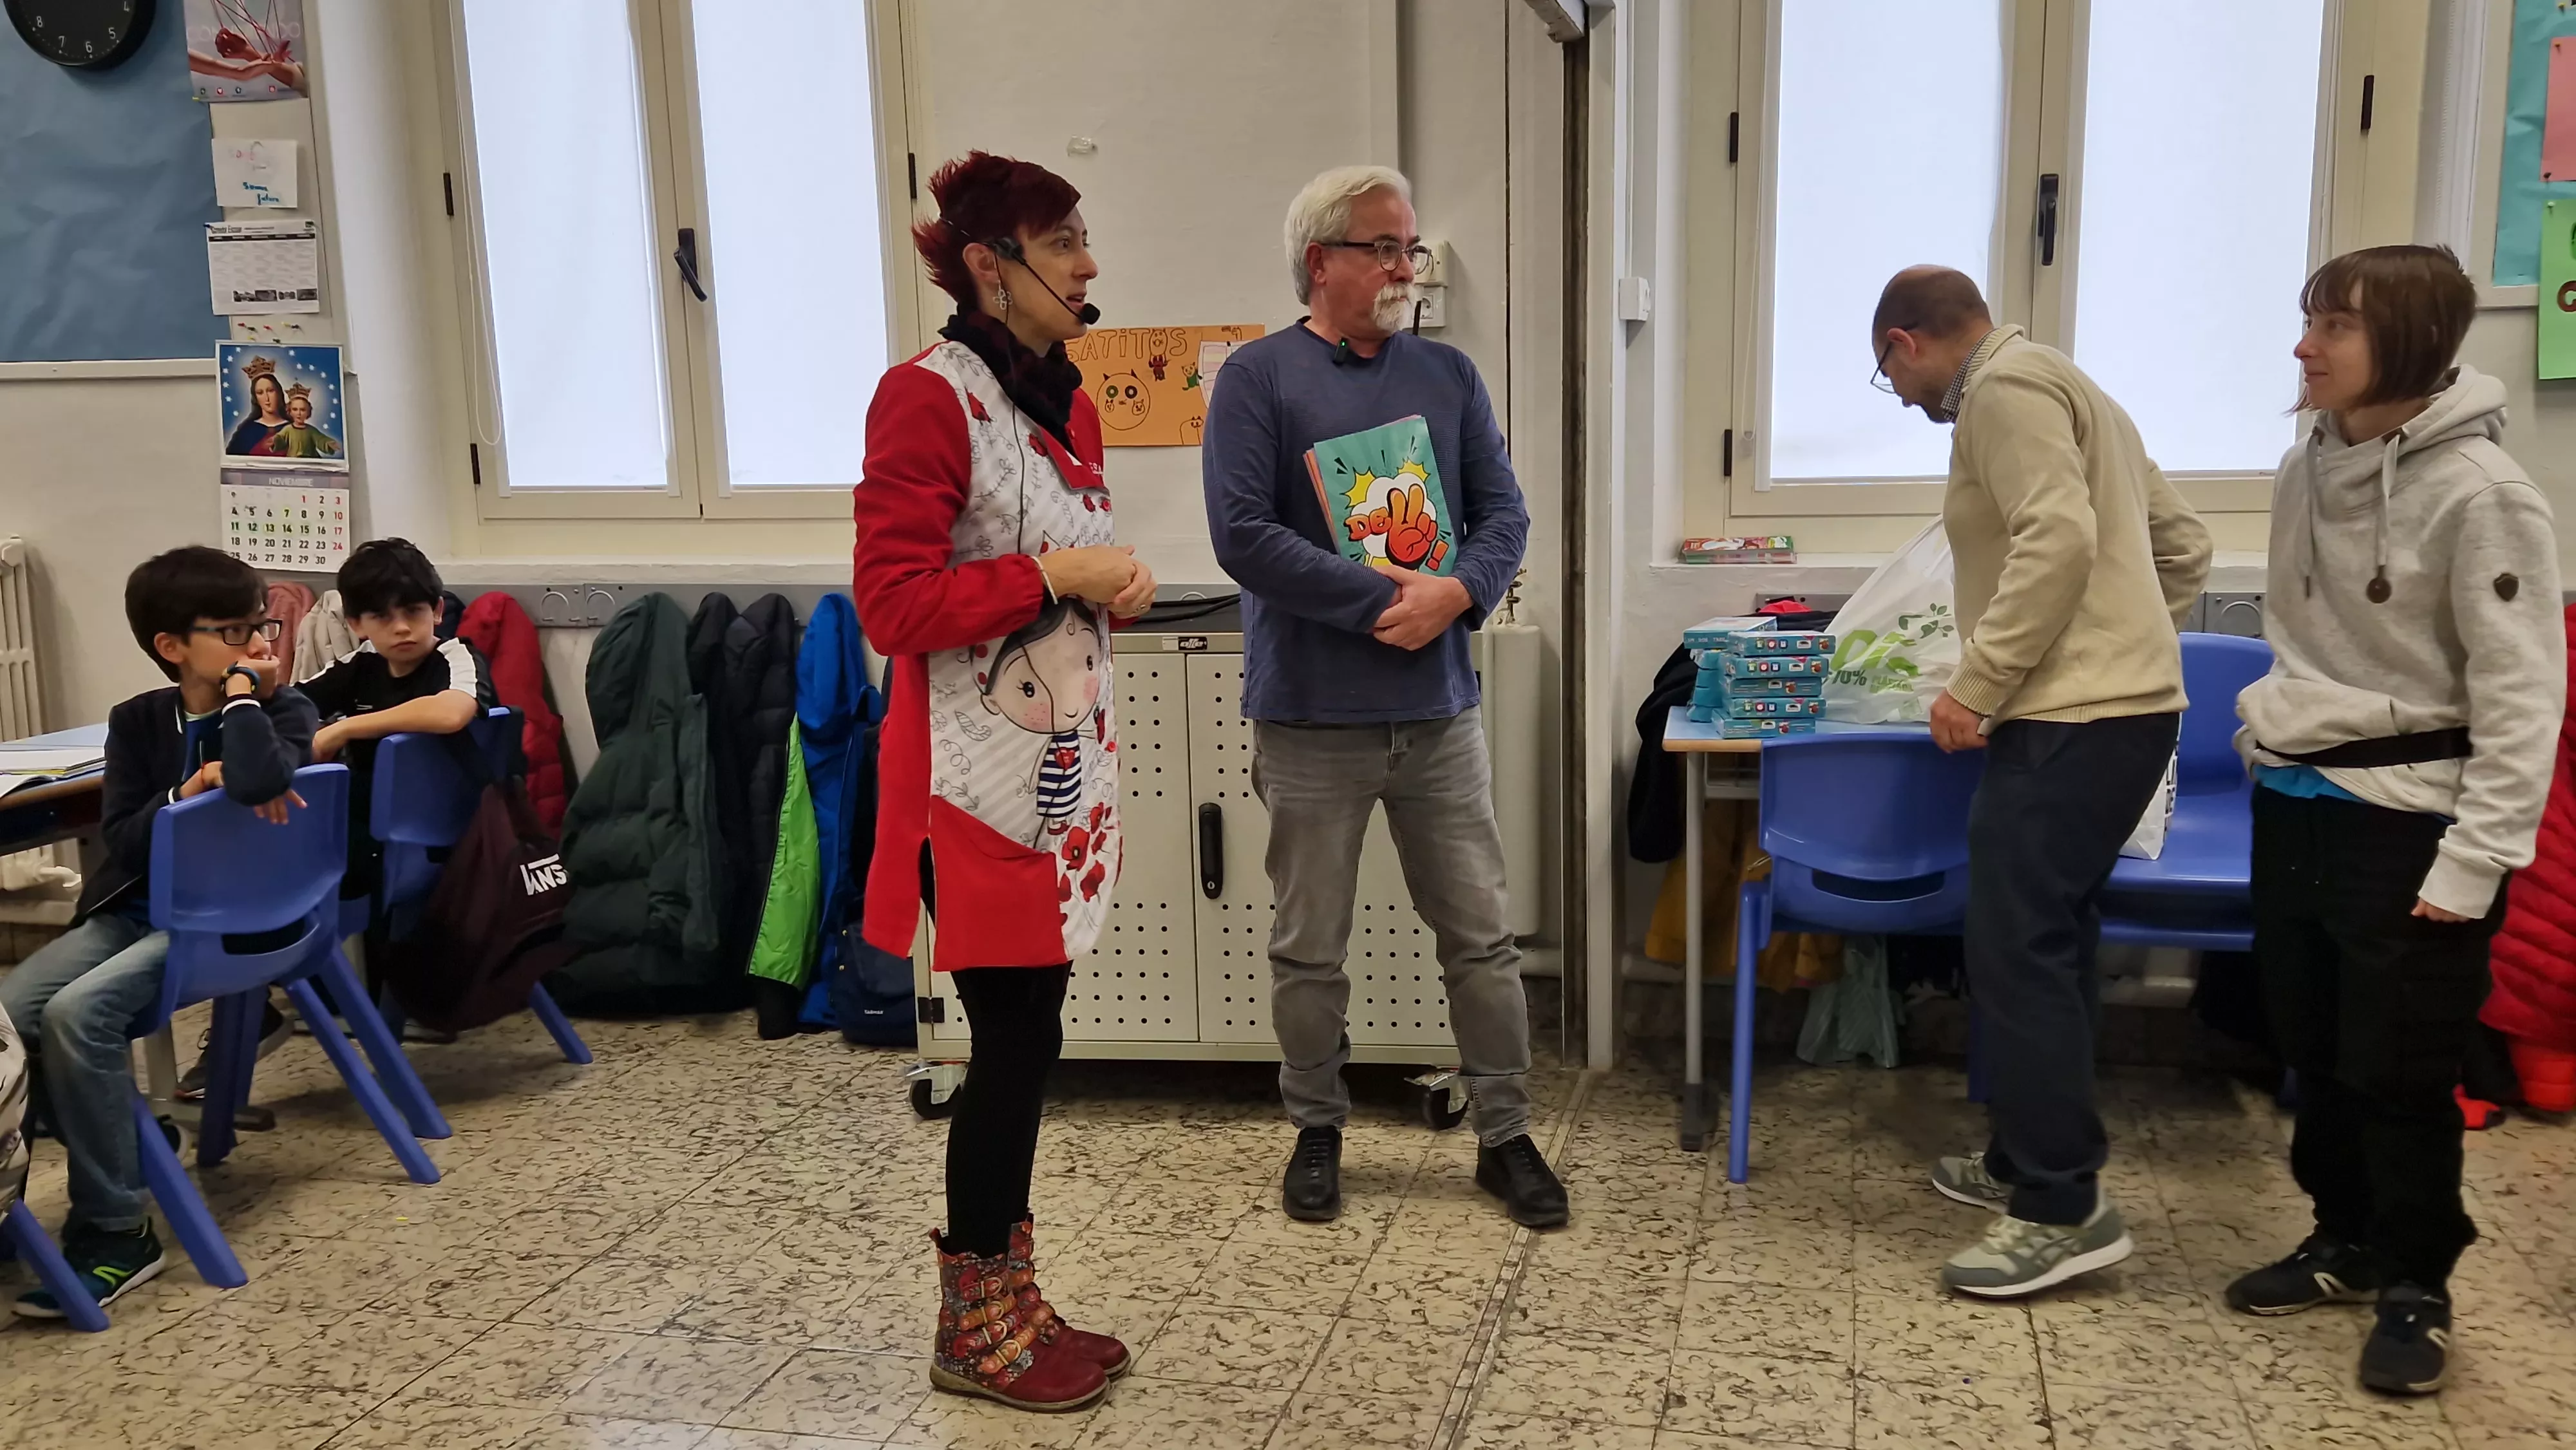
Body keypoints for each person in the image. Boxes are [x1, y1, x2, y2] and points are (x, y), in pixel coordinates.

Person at [1201, 165, 1564, 1230]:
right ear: (1324, 260)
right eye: (1388, 248)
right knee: (1309, 947)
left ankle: (1506, 1134)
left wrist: (1462, 588)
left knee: (1482, 939)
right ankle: (1317, 1126)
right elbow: (1242, 537)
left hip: (1439, 716)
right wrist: (1376, 602)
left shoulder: (1448, 375)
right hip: (1310, 718)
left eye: (1411, 249)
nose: (1409, 267)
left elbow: (1503, 510)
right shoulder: (1257, 379)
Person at [2227, 245, 2561, 1395]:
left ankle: (2420, 1276)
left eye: (2337, 326)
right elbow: (2301, 639)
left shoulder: (2486, 495)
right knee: (2310, 1047)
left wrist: (2476, 864)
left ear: (2410, 343)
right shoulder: (2302, 466)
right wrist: (2263, 742)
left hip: (2413, 819)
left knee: (2402, 1067)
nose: (2305, 346)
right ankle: (2346, 1237)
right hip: (2298, 797)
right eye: (2309, 318)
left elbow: (2524, 700)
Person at [851, 151, 1152, 1415]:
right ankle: (975, 1324)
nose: (1088, 264)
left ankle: (1010, 1297)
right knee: (1013, 1044)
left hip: (1060, 768)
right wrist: (1062, 580)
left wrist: (1110, 591)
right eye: (1064, 241)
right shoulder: (925, 397)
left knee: (1031, 1040)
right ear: (990, 265)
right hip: (972, 790)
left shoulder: (1063, 401)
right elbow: (892, 602)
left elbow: (1053, 560)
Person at [1866, 266, 2211, 1297]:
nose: (1909, 399)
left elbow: (2056, 539)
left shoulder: (2000, 394)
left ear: (1901, 346)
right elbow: (2182, 548)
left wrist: (1981, 682)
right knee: (2052, 941)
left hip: (2073, 719)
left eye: (1893, 378)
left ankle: (2064, 1204)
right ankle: (2026, 1153)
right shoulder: (2071, 382)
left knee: (2017, 948)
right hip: (2121, 710)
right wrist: (2127, 635)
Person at [3, 547, 313, 1319]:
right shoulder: (139, 720)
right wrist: (186, 790)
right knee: (10, 1017)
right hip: (135, 911)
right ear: (172, 646)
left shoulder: (285, 711)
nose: (256, 641)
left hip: (234, 921)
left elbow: (260, 780)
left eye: (259, 625)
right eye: (233, 630)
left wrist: (242, 698)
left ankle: (116, 1228)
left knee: (80, 1016)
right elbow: (127, 839)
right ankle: (111, 1151)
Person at [171, 540, 493, 1097]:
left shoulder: (455, 657)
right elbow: (294, 708)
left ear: (437, 610)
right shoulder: (357, 666)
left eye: (414, 612)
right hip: (363, 840)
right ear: (356, 623)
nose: (401, 629)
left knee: (260, 887)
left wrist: (344, 729)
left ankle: (259, 1002)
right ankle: (257, 1005)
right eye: (382, 617)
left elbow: (452, 710)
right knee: (250, 867)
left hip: (425, 848)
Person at [252, 386, 341, 460]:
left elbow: (320, 439)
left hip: (310, 461)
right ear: (290, 412)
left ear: (308, 412)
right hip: (293, 461)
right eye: (295, 409)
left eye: (302, 410)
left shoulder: (311, 430)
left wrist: (329, 443)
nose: (299, 413)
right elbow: (281, 439)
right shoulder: (288, 429)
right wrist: (274, 441)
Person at [225, 361, 290, 457]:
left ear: (279, 393)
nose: (267, 398)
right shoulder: (246, 431)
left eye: (271, 391)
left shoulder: (295, 428)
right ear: (256, 399)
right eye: (260, 393)